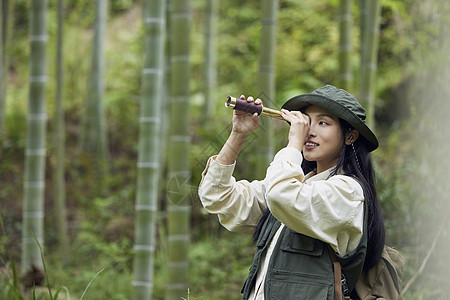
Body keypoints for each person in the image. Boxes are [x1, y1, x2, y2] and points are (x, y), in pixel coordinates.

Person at [198, 85, 385, 299]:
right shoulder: (296, 185)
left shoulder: (347, 192)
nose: (308, 131)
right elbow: (217, 197)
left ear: (350, 136)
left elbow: (282, 196)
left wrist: (294, 142)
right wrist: (238, 135)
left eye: (323, 122)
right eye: (306, 121)